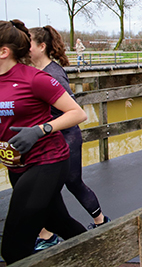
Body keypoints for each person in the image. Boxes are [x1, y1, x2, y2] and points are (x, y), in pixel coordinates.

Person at [0, 20, 87, 264]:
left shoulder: (35, 78)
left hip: (47, 161)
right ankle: (103, 253)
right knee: (60, 223)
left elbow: (78, 113)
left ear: (3, 51)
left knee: (13, 249)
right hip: (16, 165)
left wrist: (39, 130)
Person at [29, 26, 110, 251]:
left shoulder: (52, 74)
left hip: (66, 137)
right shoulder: (38, 71)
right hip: (51, 137)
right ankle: (46, 233)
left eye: (29, 43)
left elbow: (73, 111)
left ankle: (100, 222)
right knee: (50, 188)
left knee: (73, 182)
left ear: (41, 47)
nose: (25, 47)